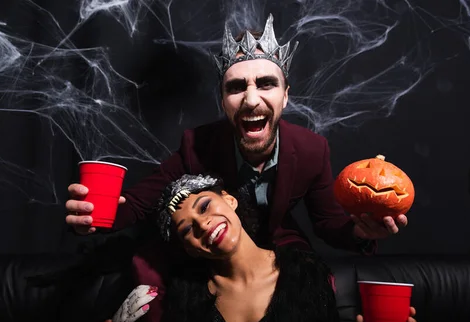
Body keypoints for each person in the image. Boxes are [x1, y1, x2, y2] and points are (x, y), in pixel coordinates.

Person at [65, 14, 408, 254]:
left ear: (285, 96)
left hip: (281, 251)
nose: (251, 98)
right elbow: (139, 203)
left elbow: (328, 223)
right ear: (223, 101)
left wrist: (361, 234)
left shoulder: (312, 150)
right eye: (236, 87)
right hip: (217, 256)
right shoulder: (196, 145)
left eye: (266, 83)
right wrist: (94, 218)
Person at [83, 174, 417, 322]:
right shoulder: (184, 295)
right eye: (187, 230)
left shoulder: (306, 274)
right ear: (187, 248)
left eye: (205, 206)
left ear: (228, 199)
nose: (203, 225)